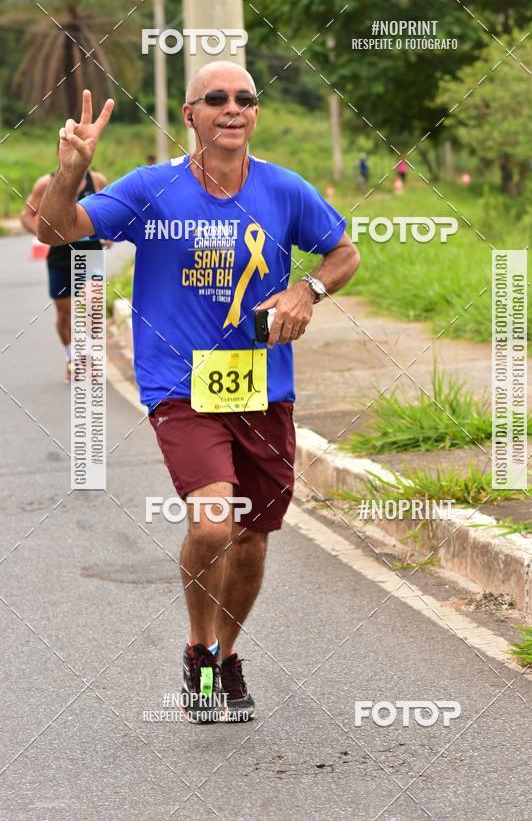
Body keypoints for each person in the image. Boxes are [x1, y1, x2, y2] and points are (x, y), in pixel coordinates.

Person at [37, 62, 360, 724]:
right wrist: (73, 165)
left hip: (265, 388)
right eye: (216, 98)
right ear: (191, 115)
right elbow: (55, 228)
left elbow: (344, 253)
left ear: (256, 113)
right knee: (214, 521)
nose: (232, 107)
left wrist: (308, 290)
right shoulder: (154, 190)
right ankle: (198, 647)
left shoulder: (285, 189)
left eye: (245, 98)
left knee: (252, 539)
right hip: (180, 386)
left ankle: (226, 654)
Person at [21, 168, 108, 381]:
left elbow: (109, 211)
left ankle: (88, 357)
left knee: (92, 304)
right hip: (60, 255)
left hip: (90, 252)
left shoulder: (97, 180)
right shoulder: (46, 183)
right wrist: (44, 236)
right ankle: (71, 358)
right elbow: (26, 216)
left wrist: (109, 234)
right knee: (64, 312)